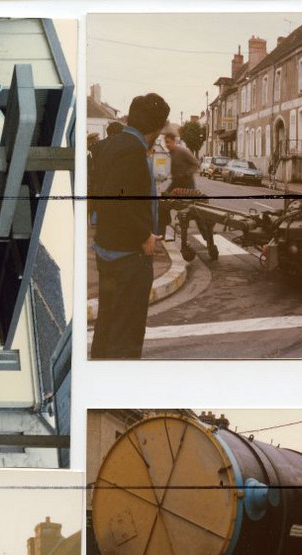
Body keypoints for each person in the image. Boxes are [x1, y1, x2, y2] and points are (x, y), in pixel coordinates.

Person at [90, 93, 171, 360]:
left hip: (107, 249)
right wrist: (144, 235)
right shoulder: (133, 152)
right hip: (129, 257)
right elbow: (120, 199)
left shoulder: (110, 146)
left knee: (108, 324)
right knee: (126, 336)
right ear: (156, 129)